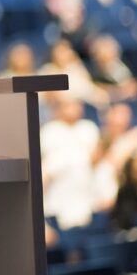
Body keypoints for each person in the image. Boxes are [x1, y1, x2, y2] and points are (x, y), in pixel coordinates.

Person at [41, 95, 99, 229]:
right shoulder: (49, 131)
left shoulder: (89, 128)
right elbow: (50, 165)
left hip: (86, 200)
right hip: (58, 201)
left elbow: (95, 159)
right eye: (69, 105)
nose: (75, 109)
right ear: (59, 108)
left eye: (77, 104)